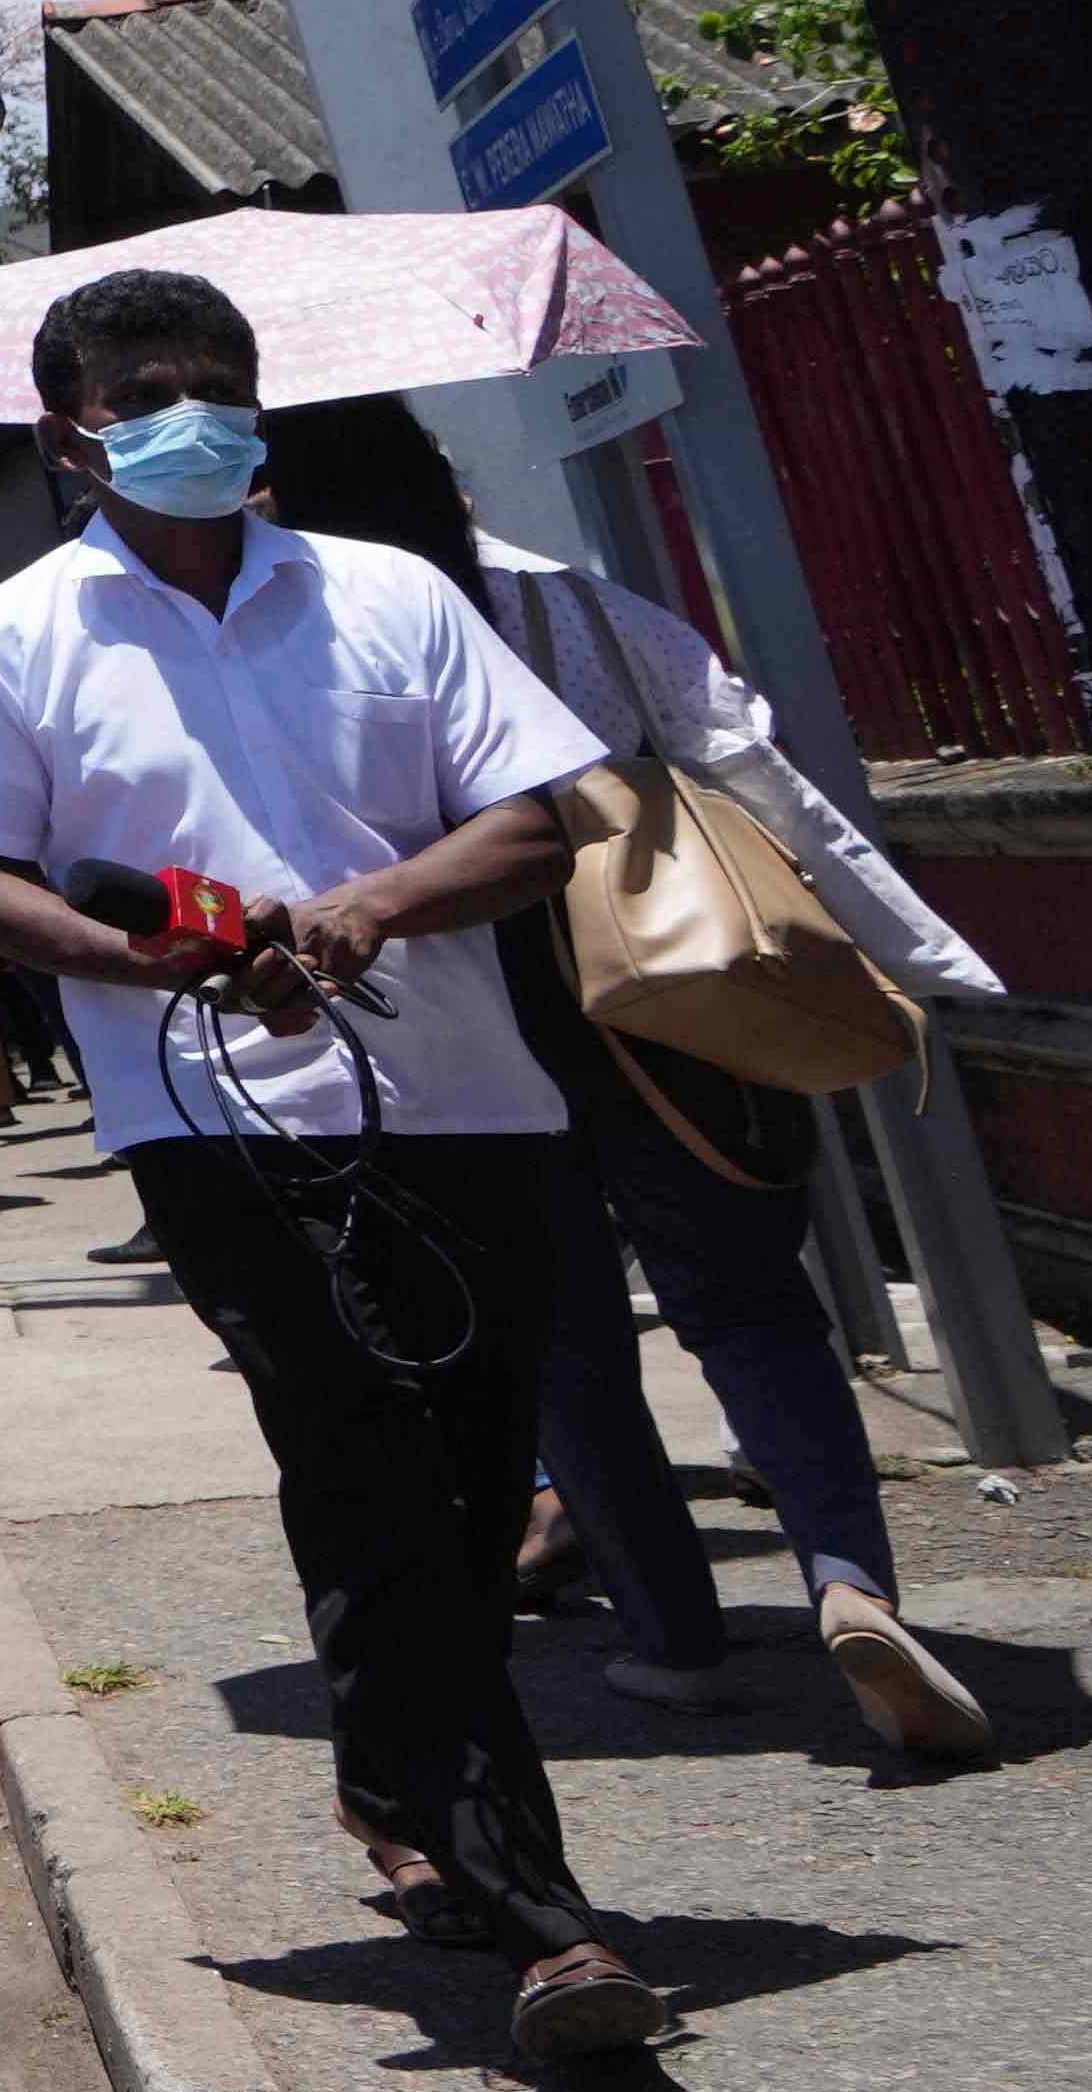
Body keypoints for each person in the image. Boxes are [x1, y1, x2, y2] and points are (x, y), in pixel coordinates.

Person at [0, 272, 662, 2069]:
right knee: (360, 1457)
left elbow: (531, 826)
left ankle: (396, 1777)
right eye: (145, 388)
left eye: (216, 382)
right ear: (63, 431)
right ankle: (544, 1924)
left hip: (458, 1098)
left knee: (466, 1483)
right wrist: (152, 956)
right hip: (213, 1122)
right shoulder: (8, 636)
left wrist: (371, 900)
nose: (191, 412)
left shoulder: (388, 595)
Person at [260, 419, 1014, 1765]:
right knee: (754, 1307)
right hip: (664, 1001)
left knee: (560, 1341)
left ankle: (673, 1638)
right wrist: (911, 952)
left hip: (473, 1031)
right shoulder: (578, 609)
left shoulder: (318, 647)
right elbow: (750, 764)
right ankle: (849, 1579)